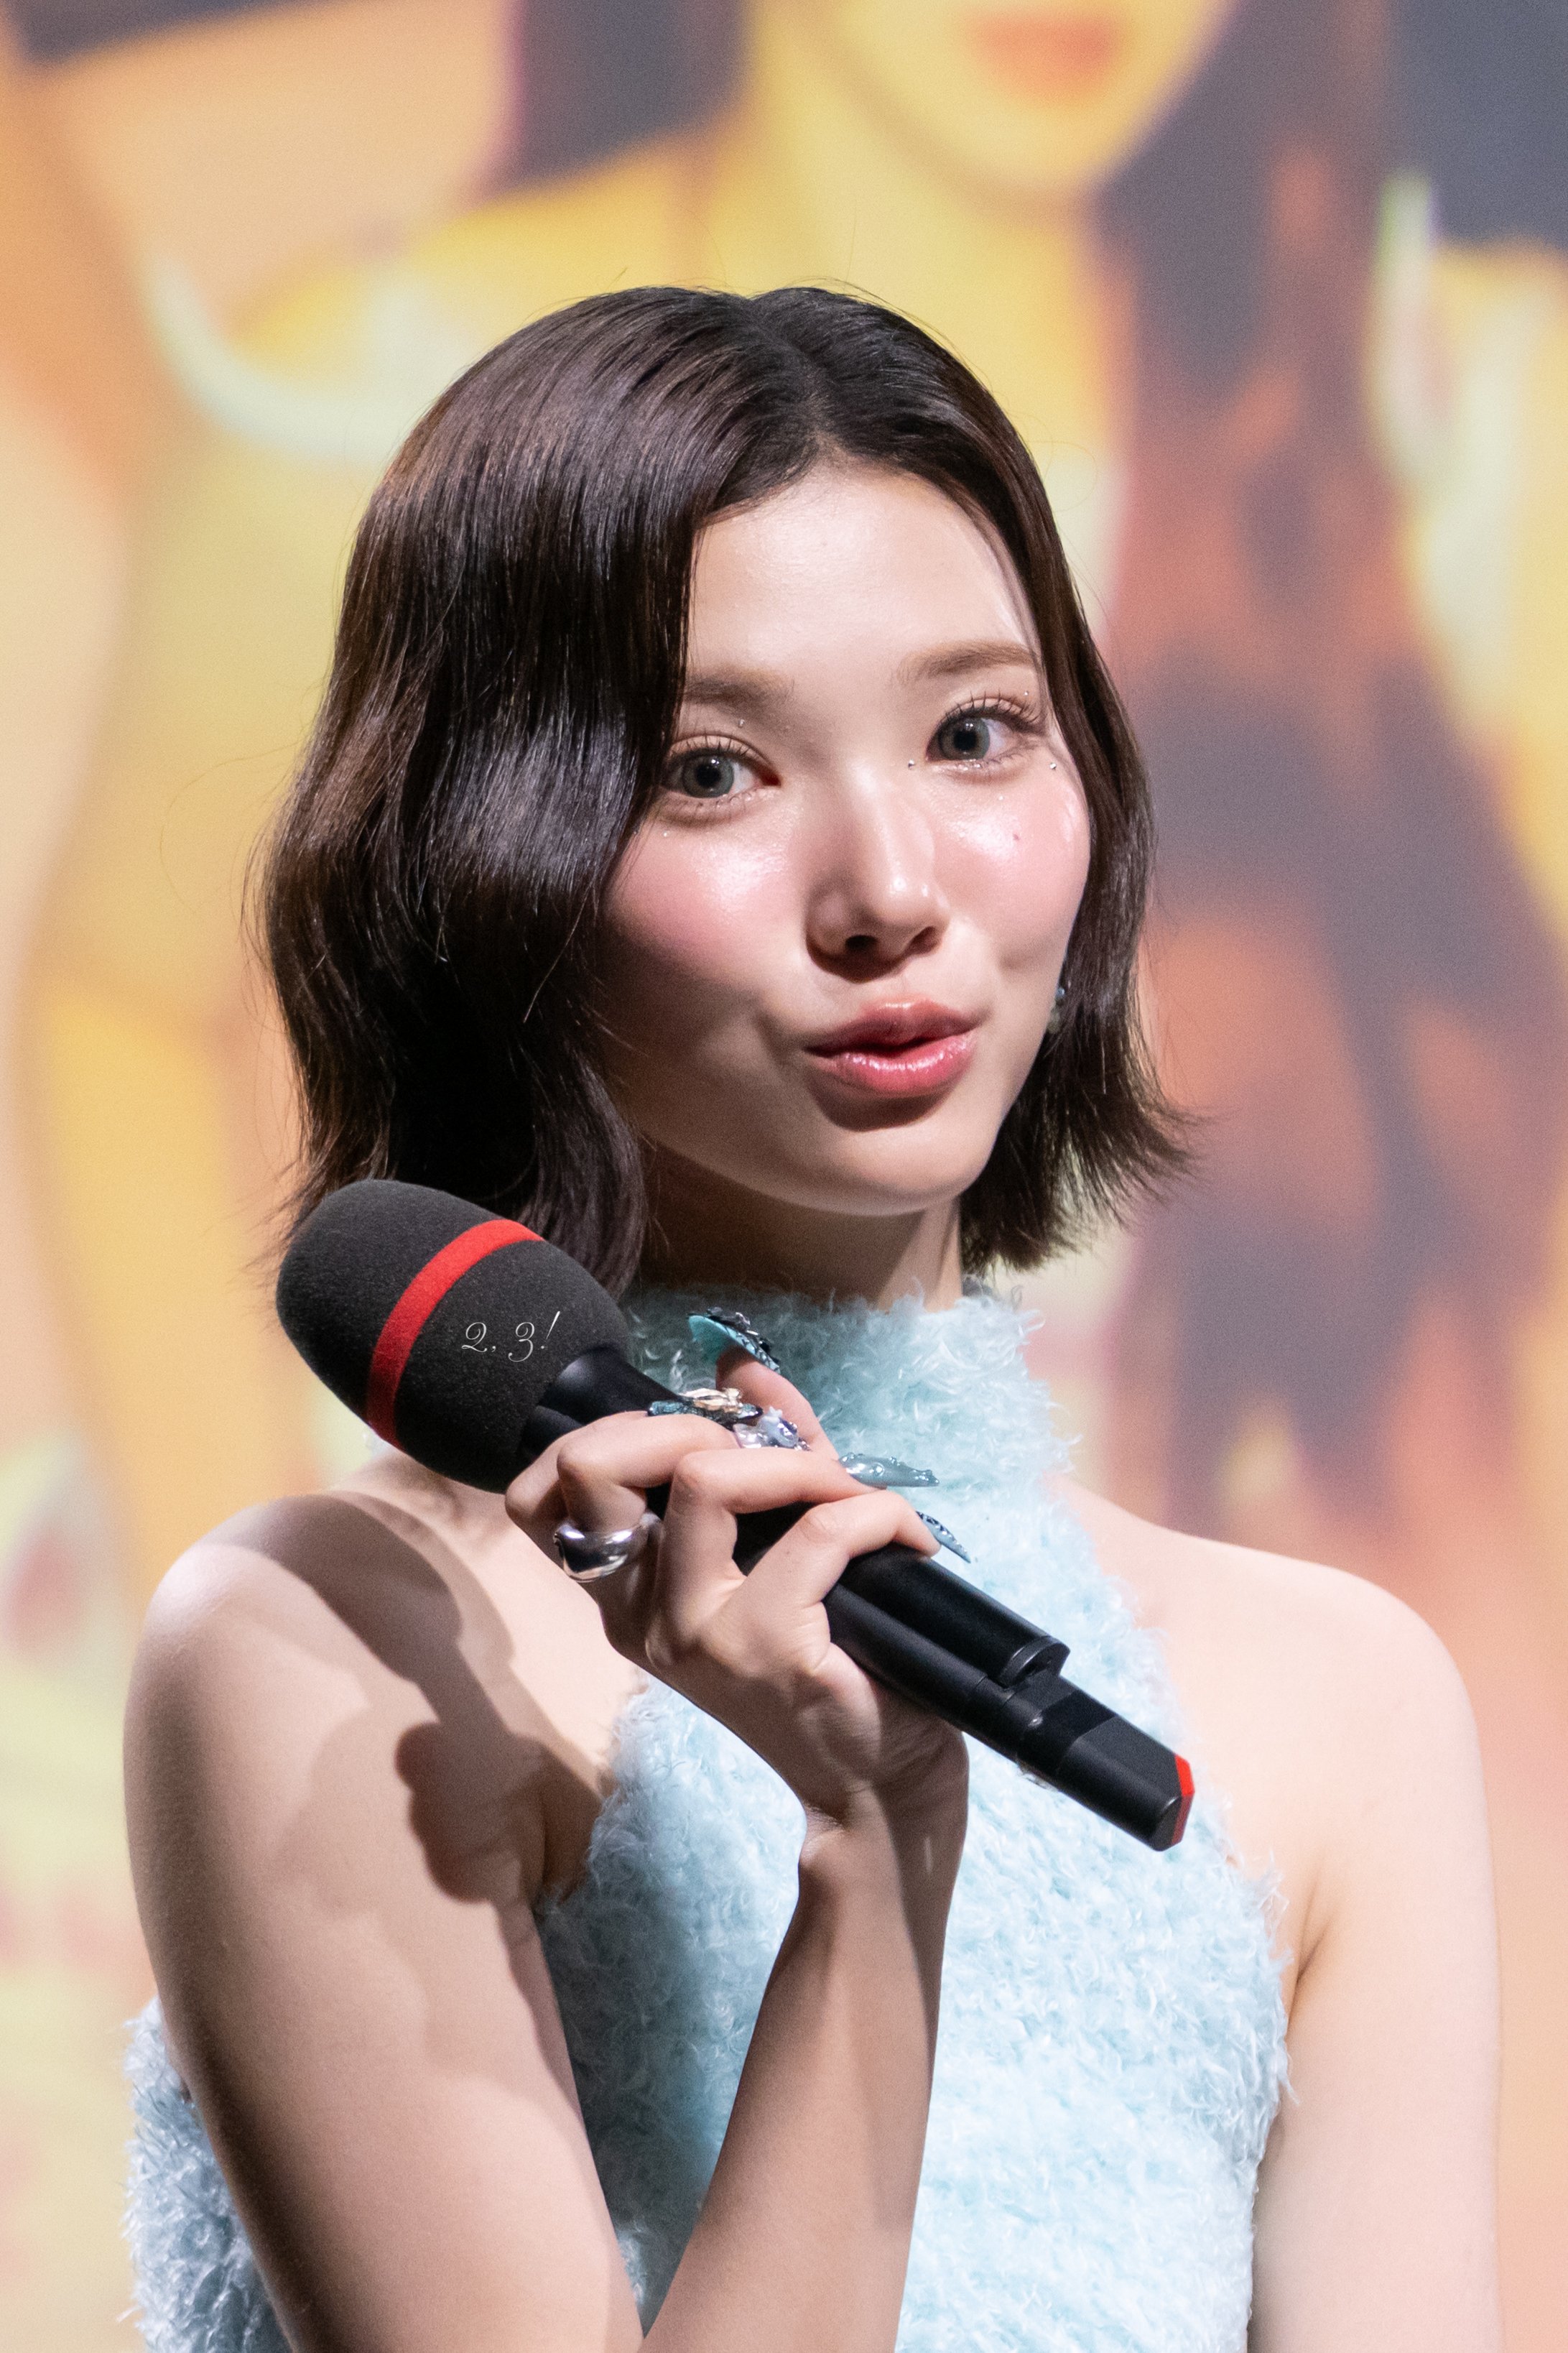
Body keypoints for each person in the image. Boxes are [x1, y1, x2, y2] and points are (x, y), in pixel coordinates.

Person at [123, 287, 1497, 2352]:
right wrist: (877, 1850)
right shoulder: (344, 1648)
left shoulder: (1339, 1698)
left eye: (977, 734)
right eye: (712, 770)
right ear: (487, 857)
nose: (891, 888)